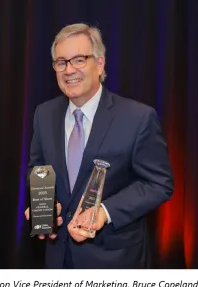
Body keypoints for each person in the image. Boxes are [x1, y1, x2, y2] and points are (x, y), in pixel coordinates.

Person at [25, 23, 174, 269]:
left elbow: (159, 184)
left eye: (79, 60)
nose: (69, 70)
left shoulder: (138, 118)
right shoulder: (44, 114)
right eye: (61, 62)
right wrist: (44, 206)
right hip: (58, 260)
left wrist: (104, 212)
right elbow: (37, 168)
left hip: (115, 263)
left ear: (100, 64)